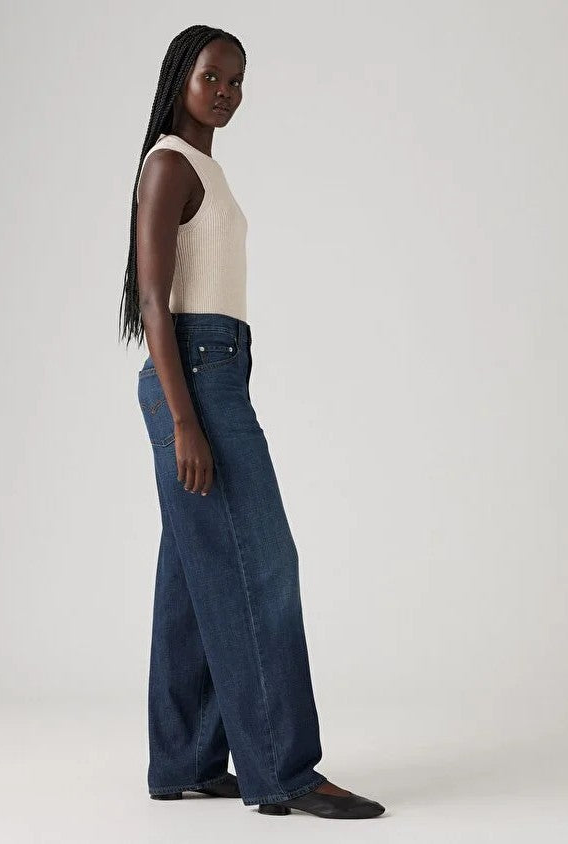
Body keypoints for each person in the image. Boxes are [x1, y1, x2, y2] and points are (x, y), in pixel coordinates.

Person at [118, 24, 386, 820]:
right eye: (213, 76)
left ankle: (187, 762)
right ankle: (285, 771)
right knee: (262, 566)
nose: (227, 92)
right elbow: (154, 302)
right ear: (181, 76)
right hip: (196, 380)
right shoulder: (170, 162)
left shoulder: (203, 167)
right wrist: (185, 420)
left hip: (218, 370)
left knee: (194, 572)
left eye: (237, 81)